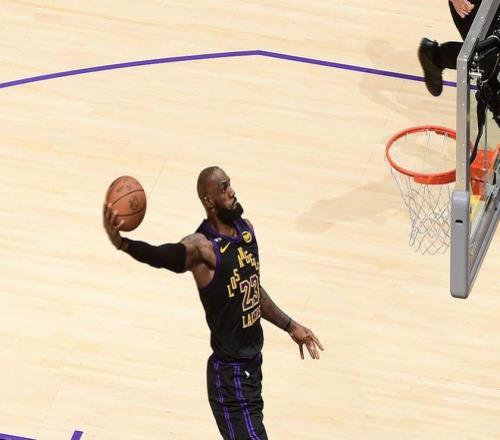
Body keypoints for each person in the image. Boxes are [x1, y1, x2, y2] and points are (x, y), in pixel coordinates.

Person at [102, 166, 324, 440]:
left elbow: (251, 287)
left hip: (252, 370)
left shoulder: (246, 230)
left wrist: (289, 325)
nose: (232, 191)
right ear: (208, 200)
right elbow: (165, 256)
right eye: (223, 188)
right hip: (230, 379)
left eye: (230, 184)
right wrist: (124, 244)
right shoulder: (202, 247)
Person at [418, 0, 481, 96]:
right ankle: (436, 57)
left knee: (489, 55)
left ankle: (437, 56)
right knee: (487, 57)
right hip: (470, 5)